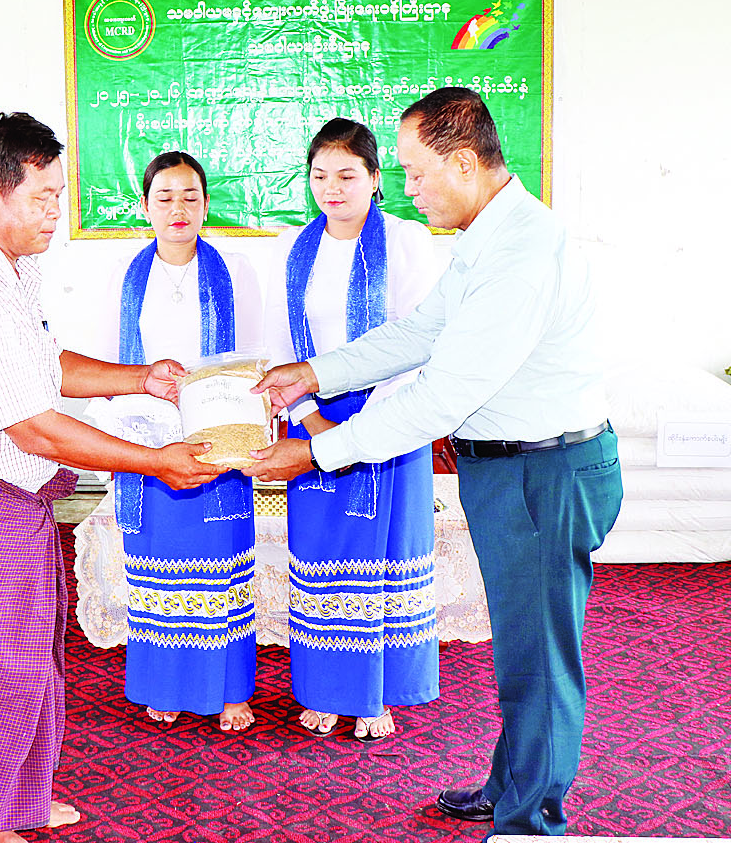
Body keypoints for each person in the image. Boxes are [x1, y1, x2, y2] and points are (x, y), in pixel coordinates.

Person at [246, 88, 623, 837]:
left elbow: (442, 394)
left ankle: (529, 823)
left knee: (540, 659)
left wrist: (316, 451)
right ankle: (512, 786)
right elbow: (419, 333)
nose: (409, 188)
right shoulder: (488, 237)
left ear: (464, 162)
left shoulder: (521, 254)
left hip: (543, 476)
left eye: (417, 172)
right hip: (512, 470)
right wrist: (316, 373)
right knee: (521, 648)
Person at [0, 113, 227, 843]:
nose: (56, 212)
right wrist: (157, 461)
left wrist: (140, 378)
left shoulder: (12, 267)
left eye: (59, 195)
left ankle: (10, 797)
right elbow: (34, 426)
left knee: (20, 656)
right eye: (42, 197)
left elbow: (45, 364)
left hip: (0, 499)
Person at [262, 117, 446, 743]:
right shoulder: (293, 247)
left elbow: (418, 340)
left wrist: (371, 424)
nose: (332, 189)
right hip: (311, 421)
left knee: (383, 558)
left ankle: (375, 694)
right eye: (320, 176)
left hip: (391, 421)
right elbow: (279, 346)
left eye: (346, 175)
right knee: (323, 559)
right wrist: (309, 421)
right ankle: (326, 691)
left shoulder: (408, 240)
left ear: (374, 177)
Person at [97, 151, 263, 732]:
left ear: (206, 204)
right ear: (145, 206)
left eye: (190, 196)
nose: (178, 208)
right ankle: (164, 684)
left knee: (222, 561)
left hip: (219, 435)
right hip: (150, 438)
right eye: (164, 197)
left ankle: (230, 690)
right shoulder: (122, 275)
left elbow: (254, 355)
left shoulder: (236, 269)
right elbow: (106, 360)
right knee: (159, 566)